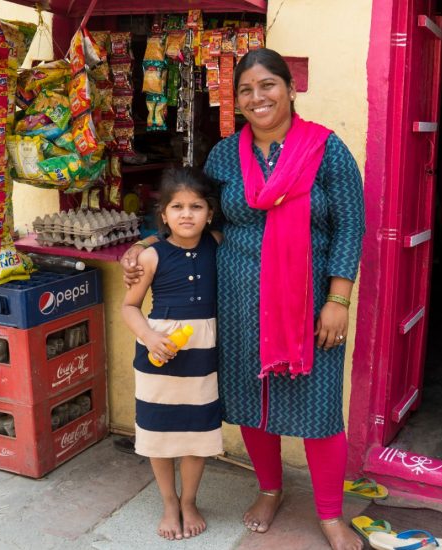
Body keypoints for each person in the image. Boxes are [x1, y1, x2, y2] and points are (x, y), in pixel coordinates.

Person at [122, 49, 365, 550]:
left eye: (268, 85)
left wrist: (338, 298)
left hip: (307, 302)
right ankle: (270, 489)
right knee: (254, 402)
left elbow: (350, 226)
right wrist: (146, 244)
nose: (258, 98)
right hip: (235, 301)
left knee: (319, 408)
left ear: (290, 89)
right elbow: (198, 221)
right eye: (247, 90)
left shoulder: (327, 150)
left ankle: (331, 514)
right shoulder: (225, 156)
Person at [120, 168, 223, 541]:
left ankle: (190, 501)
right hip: (159, 355)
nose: (186, 214)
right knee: (158, 432)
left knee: (197, 431)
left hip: (202, 356)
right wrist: (148, 335)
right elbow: (129, 307)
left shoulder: (217, 242)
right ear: (163, 214)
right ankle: (168, 502)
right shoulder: (151, 257)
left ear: (209, 213)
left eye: (196, 206)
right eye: (176, 206)